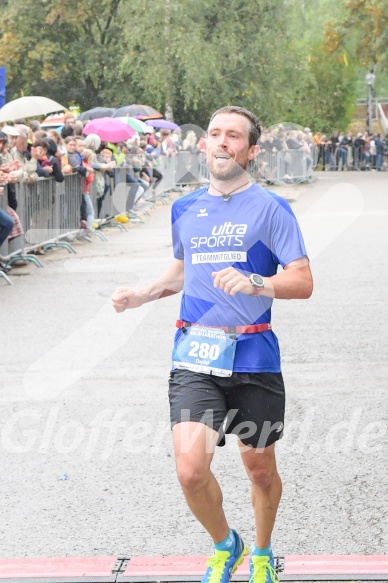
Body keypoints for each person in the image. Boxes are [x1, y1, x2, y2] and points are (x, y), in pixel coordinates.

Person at [112, 106, 313, 583]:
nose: (221, 142)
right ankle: (228, 545)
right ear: (205, 144)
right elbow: (183, 269)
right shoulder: (185, 208)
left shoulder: (271, 207)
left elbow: (302, 280)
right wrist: (142, 294)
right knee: (189, 470)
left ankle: (262, 554)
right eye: (215, 134)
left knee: (259, 468)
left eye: (234, 136)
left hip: (254, 355)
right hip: (194, 353)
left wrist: (257, 282)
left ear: (251, 150)